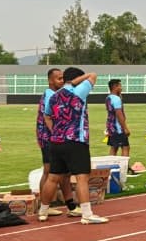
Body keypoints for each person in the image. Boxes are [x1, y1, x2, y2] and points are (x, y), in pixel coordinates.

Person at [39, 67, 109, 224]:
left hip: (56, 141)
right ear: (78, 80)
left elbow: (47, 116)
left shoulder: (54, 97)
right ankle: (87, 214)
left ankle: (43, 212)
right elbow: (94, 74)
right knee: (82, 177)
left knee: (53, 178)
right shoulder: (79, 92)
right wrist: (79, 80)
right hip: (76, 140)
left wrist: (55, 131)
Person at [36, 68, 77, 218]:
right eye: (59, 78)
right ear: (50, 80)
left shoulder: (52, 94)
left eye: (62, 78)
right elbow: (50, 118)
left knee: (62, 173)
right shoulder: (51, 95)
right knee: (49, 172)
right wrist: (58, 134)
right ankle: (45, 206)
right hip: (50, 139)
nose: (61, 81)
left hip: (50, 138)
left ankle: (67, 205)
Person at [105, 78, 131, 161]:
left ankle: (111, 167)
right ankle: (124, 168)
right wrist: (125, 128)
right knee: (125, 147)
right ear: (115, 87)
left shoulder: (108, 98)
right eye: (120, 86)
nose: (121, 88)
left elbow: (109, 113)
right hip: (118, 128)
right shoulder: (116, 99)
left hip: (111, 127)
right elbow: (119, 114)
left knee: (114, 147)